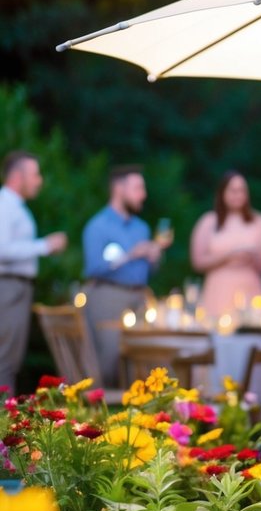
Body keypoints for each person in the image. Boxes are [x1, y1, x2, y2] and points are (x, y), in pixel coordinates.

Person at [82, 165, 170, 387]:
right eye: (138, 188)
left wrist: (154, 257)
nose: (144, 194)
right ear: (119, 189)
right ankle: (103, 411)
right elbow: (94, 268)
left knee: (146, 359)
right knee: (109, 360)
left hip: (140, 298)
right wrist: (131, 254)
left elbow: (148, 271)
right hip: (107, 296)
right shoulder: (97, 226)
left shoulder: (141, 228)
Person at [0, 150, 67, 394]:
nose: (39, 180)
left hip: (16, 287)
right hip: (7, 286)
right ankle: (4, 424)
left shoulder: (16, 207)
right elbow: (2, 249)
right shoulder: (4, 205)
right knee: (4, 359)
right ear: (17, 176)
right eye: (35, 175)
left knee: (9, 359)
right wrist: (45, 245)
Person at [190, 171, 261, 319]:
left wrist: (254, 258)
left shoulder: (259, 222)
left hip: (251, 290)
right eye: (233, 190)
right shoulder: (208, 222)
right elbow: (197, 262)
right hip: (217, 293)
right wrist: (228, 256)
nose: (237, 195)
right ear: (222, 193)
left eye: (241, 190)